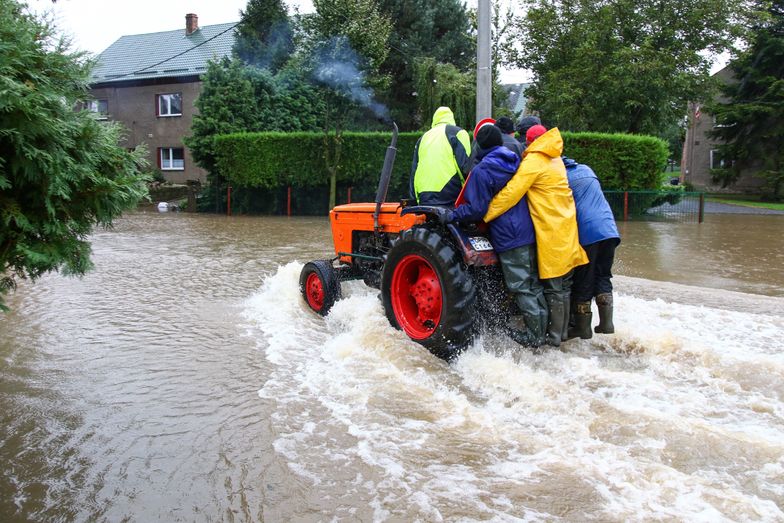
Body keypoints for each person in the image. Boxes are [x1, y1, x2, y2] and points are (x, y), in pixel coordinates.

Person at [484, 124, 588, 347]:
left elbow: (512, 193)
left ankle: (552, 337)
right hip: (568, 228)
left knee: (552, 286)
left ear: (529, 142)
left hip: (551, 231)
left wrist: (487, 214)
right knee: (564, 285)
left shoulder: (534, 161)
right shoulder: (556, 158)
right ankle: (560, 333)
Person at [447, 124, 547, 348]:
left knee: (521, 285)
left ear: (479, 145)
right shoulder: (515, 161)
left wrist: (453, 214)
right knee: (532, 283)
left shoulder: (483, 170)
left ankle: (535, 337)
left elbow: (477, 209)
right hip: (528, 230)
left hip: (508, 235)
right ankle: (543, 330)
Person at [563, 157, 620, 339]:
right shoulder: (587, 169)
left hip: (587, 231)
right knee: (603, 274)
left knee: (584, 278)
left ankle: (582, 328)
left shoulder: (561, 177)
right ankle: (606, 323)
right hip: (609, 229)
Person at [410, 106, 472, 206]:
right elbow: (465, 167)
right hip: (450, 193)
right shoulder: (458, 133)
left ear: (435, 120)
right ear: (451, 119)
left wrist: (414, 199)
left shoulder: (422, 138)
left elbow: (414, 171)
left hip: (423, 195)